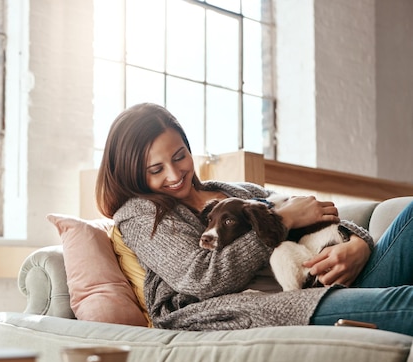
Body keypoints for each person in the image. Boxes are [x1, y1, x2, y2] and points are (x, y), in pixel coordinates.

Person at [95, 102, 413, 335]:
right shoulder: (139, 213)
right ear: (133, 172)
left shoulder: (238, 190)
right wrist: (281, 221)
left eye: (180, 156)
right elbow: (199, 278)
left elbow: (316, 215)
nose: (175, 174)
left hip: (330, 275)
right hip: (271, 303)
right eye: (155, 169)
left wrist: (358, 245)